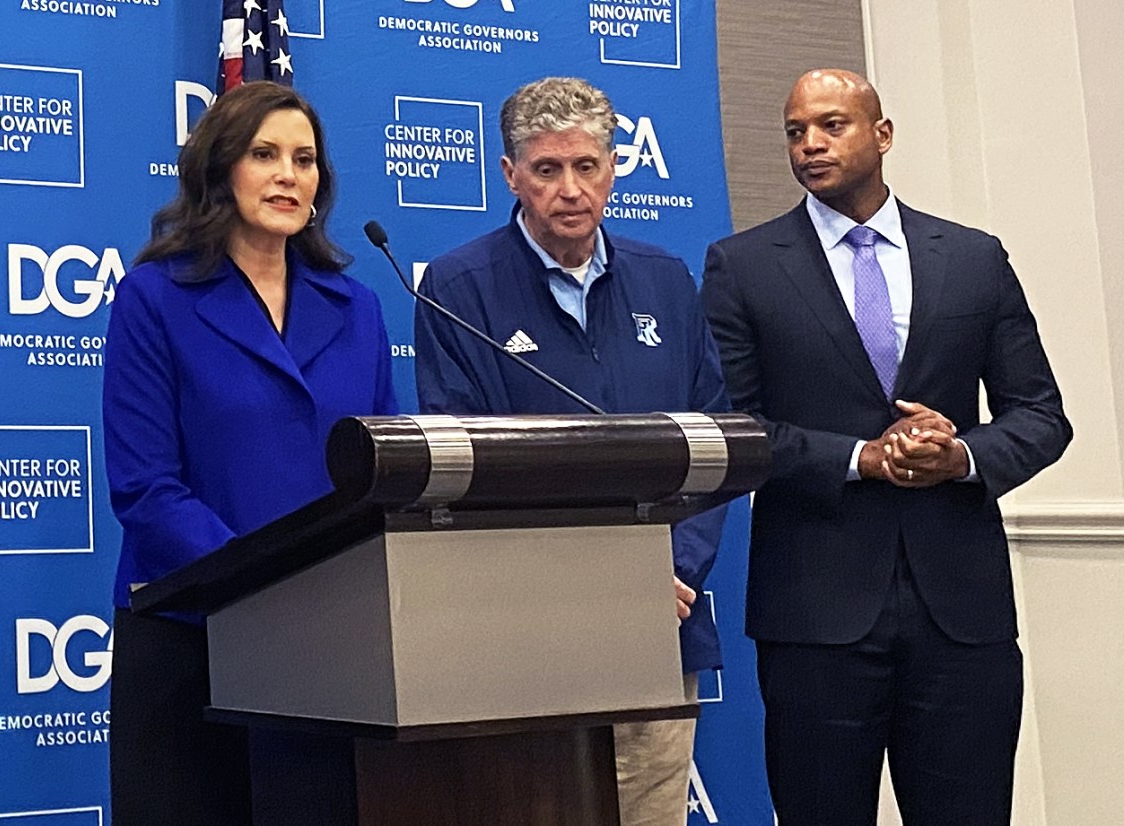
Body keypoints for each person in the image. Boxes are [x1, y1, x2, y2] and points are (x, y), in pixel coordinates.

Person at [701, 69, 1072, 826]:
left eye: (831, 125)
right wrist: (860, 458)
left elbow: (1040, 416)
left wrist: (961, 455)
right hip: (815, 618)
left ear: (883, 134)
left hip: (961, 617)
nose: (810, 145)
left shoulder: (972, 257)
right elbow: (733, 431)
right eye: (795, 131)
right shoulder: (742, 266)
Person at [414, 76, 729, 826]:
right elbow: (468, 466)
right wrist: (595, 583)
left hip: (661, 624)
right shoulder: (459, 288)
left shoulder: (665, 278)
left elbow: (712, 444)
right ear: (509, 175)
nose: (570, 189)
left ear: (615, 167)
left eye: (587, 166)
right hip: (526, 639)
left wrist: (670, 571)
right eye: (547, 169)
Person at [102, 81, 397, 825]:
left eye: (304, 160)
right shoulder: (153, 298)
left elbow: (385, 470)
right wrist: (257, 585)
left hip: (325, 647)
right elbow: (146, 489)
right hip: (190, 641)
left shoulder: (356, 306)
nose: (288, 175)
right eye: (264, 154)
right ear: (220, 169)